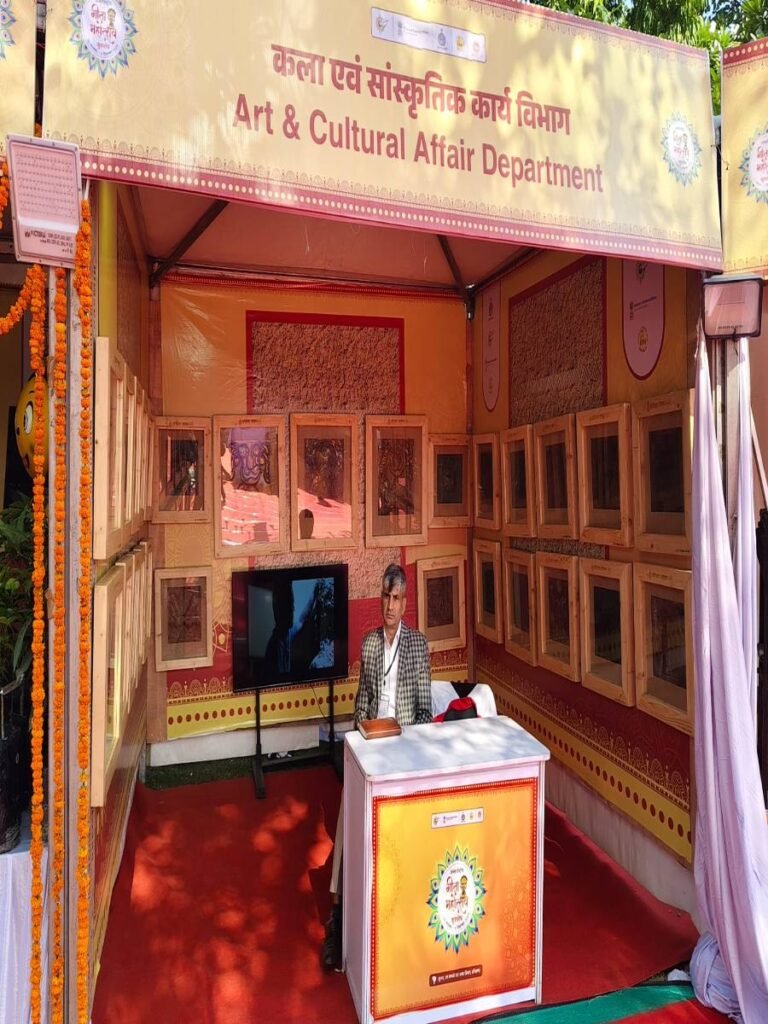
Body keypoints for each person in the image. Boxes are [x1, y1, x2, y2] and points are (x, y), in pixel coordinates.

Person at [322, 563, 432, 970]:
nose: (389, 605)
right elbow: (360, 706)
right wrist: (363, 737)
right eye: (385, 596)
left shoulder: (418, 646)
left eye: (397, 598)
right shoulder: (369, 645)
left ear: (405, 603)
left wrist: (402, 746)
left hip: (403, 751)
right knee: (346, 816)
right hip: (371, 746)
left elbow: (424, 713)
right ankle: (337, 918)